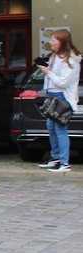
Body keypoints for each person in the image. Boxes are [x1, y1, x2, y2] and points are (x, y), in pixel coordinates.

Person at [36, 29, 80, 173]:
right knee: (51, 126)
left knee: (60, 128)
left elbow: (63, 82)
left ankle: (64, 162)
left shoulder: (71, 60)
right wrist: (47, 68)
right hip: (52, 94)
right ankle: (55, 157)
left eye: (54, 40)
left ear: (62, 42)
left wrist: (48, 72)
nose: (51, 43)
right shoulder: (55, 56)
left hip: (61, 96)